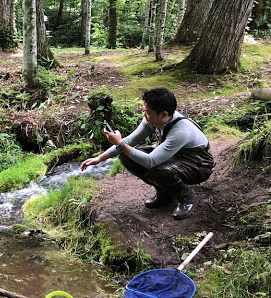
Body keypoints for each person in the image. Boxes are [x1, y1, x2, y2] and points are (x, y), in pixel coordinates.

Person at [80, 87, 214, 220]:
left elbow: (150, 161)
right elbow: (129, 141)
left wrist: (120, 144)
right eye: (144, 111)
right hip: (174, 157)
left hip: (198, 165)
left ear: (164, 114)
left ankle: (186, 199)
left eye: (147, 112)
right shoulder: (152, 120)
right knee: (127, 156)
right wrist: (99, 158)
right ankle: (165, 192)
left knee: (158, 169)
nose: (144, 115)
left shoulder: (181, 130)